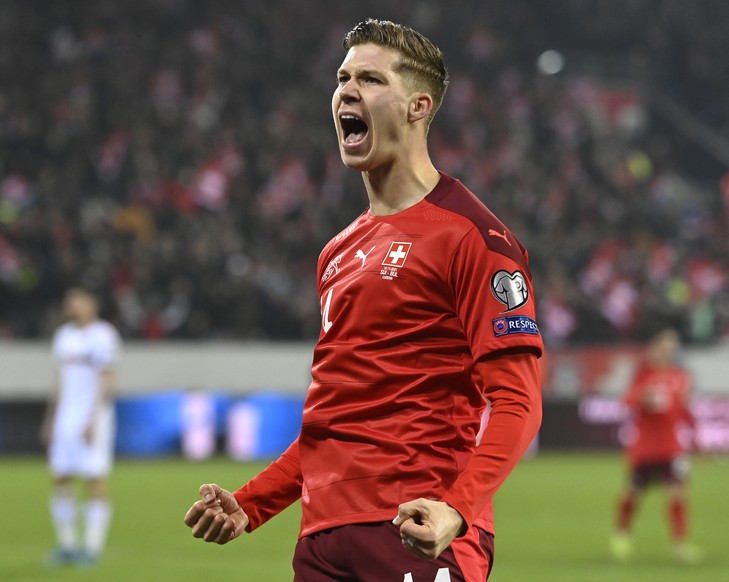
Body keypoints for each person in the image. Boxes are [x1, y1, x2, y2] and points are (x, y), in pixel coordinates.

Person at [184, 19, 542, 581]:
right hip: (323, 539)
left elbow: (519, 402)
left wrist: (458, 508)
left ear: (418, 106)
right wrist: (252, 504)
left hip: (416, 525)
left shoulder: (474, 237)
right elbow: (337, 418)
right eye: (343, 77)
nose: (347, 90)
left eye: (371, 80)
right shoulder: (337, 252)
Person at [41, 288, 120, 566]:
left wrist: (93, 418)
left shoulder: (103, 335)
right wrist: (51, 418)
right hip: (66, 416)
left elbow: (108, 377)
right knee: (60, 476)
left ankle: (92, 547)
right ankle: (67, 545)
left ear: (92, 304)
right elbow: (60, 380)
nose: (73, 307)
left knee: (94, 478)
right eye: (70, 302)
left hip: (92, 416)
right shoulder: (63, 337)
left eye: (79, 301)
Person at [610, 328, 702, 564]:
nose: (669, 349)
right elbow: (627, 400)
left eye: (673, 345)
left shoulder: (680, 376)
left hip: (671, 449)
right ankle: (621, 535)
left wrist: (695, 436)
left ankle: (680, 545)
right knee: (633, 494)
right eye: (666, 344)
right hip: (645, 449)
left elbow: (683, 409)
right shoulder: (644, 375)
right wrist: (644, 397)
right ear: (655, 347)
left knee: (677, 494)